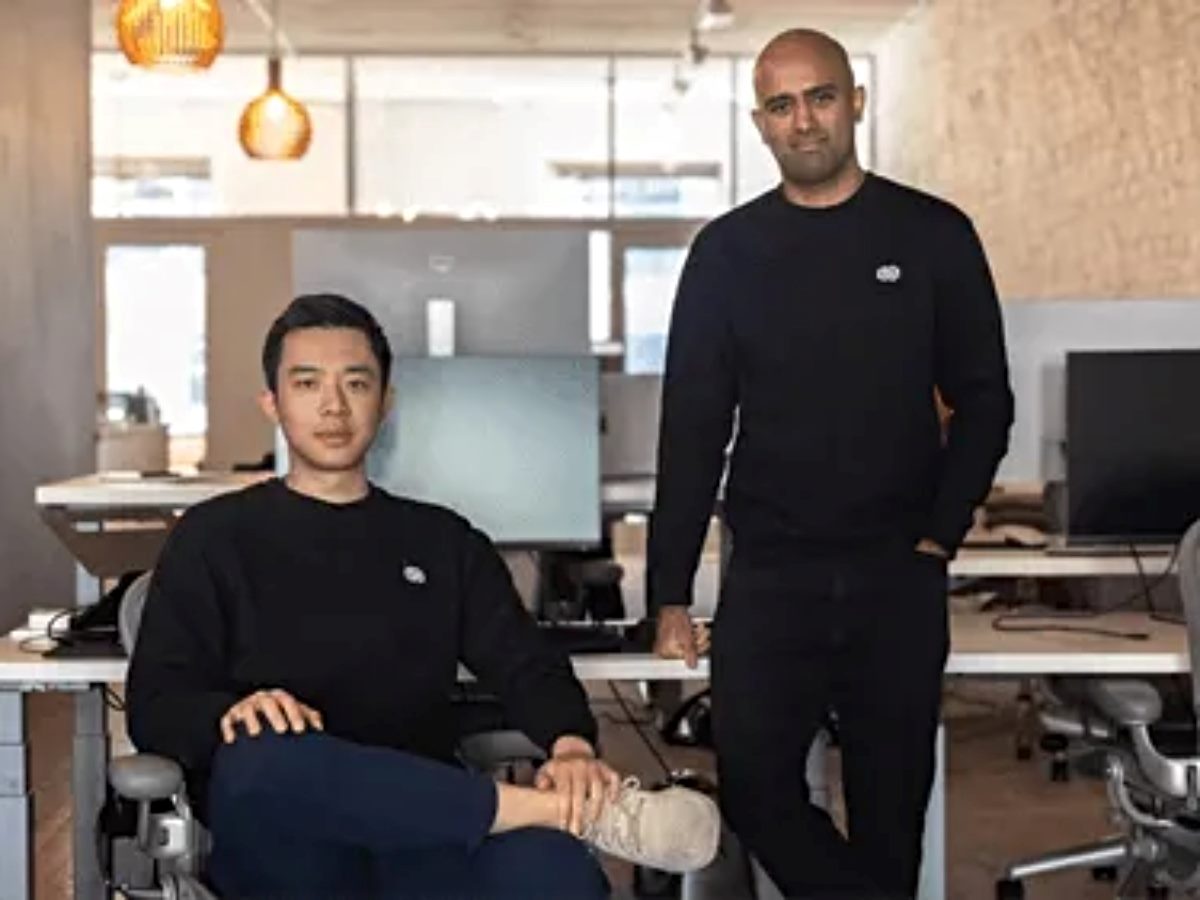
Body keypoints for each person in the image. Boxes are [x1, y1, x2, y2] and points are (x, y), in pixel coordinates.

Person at [127, 293, 719, 899]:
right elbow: (155, 706)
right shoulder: (213, 536)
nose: (333, 406)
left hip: (425, 834)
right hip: (287, 839)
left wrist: (570, 745)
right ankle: (562, 813)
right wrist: (230, 714)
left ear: (385, 402)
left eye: (356, 383)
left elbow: (526, 663)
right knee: (266, 758)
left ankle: (550, 816)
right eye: (307, 384)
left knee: (557, 874)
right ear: (272, 403)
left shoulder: (442, 541)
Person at [648, 28, 1014, 900]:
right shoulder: (726, 254)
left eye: (819, 97)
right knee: (754, 792)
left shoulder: (933, 235)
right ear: (760, 124)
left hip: (898, 574)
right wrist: (670, 592)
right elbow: (693, 430)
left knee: (891, 821)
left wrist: (941, 533)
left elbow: (985, 401)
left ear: (855, 101)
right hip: (771, 577)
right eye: (781, 105)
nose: (803, 120)